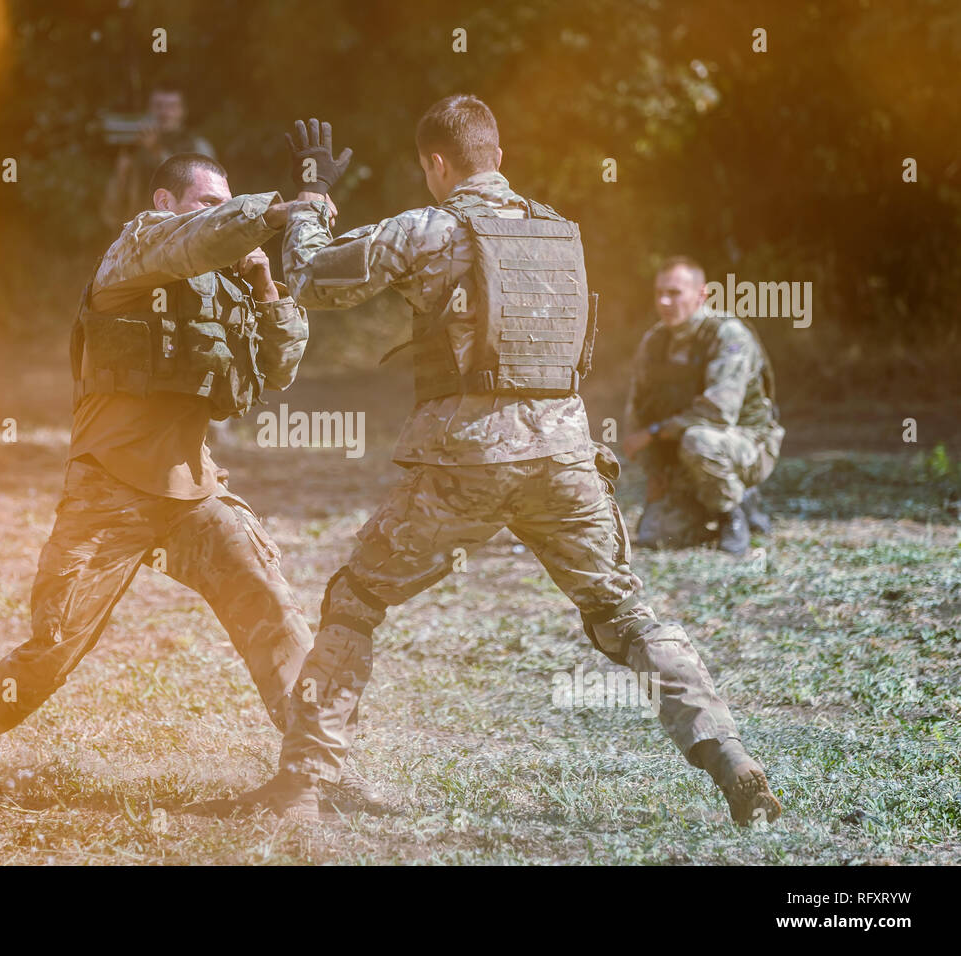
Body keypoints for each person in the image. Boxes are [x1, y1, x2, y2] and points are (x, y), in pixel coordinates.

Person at [230, 98, 782, 826]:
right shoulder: (558, 231)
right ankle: (730, 756)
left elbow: (310, 276)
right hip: (566, 459)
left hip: (467, 461)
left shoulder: (432, 227)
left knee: (356, 599)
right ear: (499, 152)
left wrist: (311, 200)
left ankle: (301, 784)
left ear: (437, 163)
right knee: (626, 611)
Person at [0, 154, 376, 809]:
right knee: (52, 648)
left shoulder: (228, 281)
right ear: (164, 200)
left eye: (226, 200)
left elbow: (279, 369)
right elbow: (202, 236)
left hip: (194, 495)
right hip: (109, 493)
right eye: (203, 200)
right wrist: (278, 211)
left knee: (273, 614)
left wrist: (267, 286)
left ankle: (322, 771)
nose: (217, 211)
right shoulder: (137, 246)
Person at [622, 256, 783, 555]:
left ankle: (732, 513)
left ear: (702, 294)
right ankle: (704, 502)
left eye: (674, 293)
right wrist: (655, 473)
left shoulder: (727, 335)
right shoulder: (655, 342)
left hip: (744, 443)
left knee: (700, 440)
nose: (665, 302)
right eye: (659, 293)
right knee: (655, 535)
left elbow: (717, 413)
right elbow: (637, 413)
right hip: (679, 450)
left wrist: (654, 433)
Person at [101, 85, 217, 234]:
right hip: (140, 236)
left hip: (184, 235)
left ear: (183, 111)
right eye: (158, 106)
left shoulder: (198, 147)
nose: (164, 113)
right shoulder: (135, 150)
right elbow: (112, 210)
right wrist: (122, 173)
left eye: (171, 106)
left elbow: (203, 195)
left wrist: (157, 151)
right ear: (149, 110)